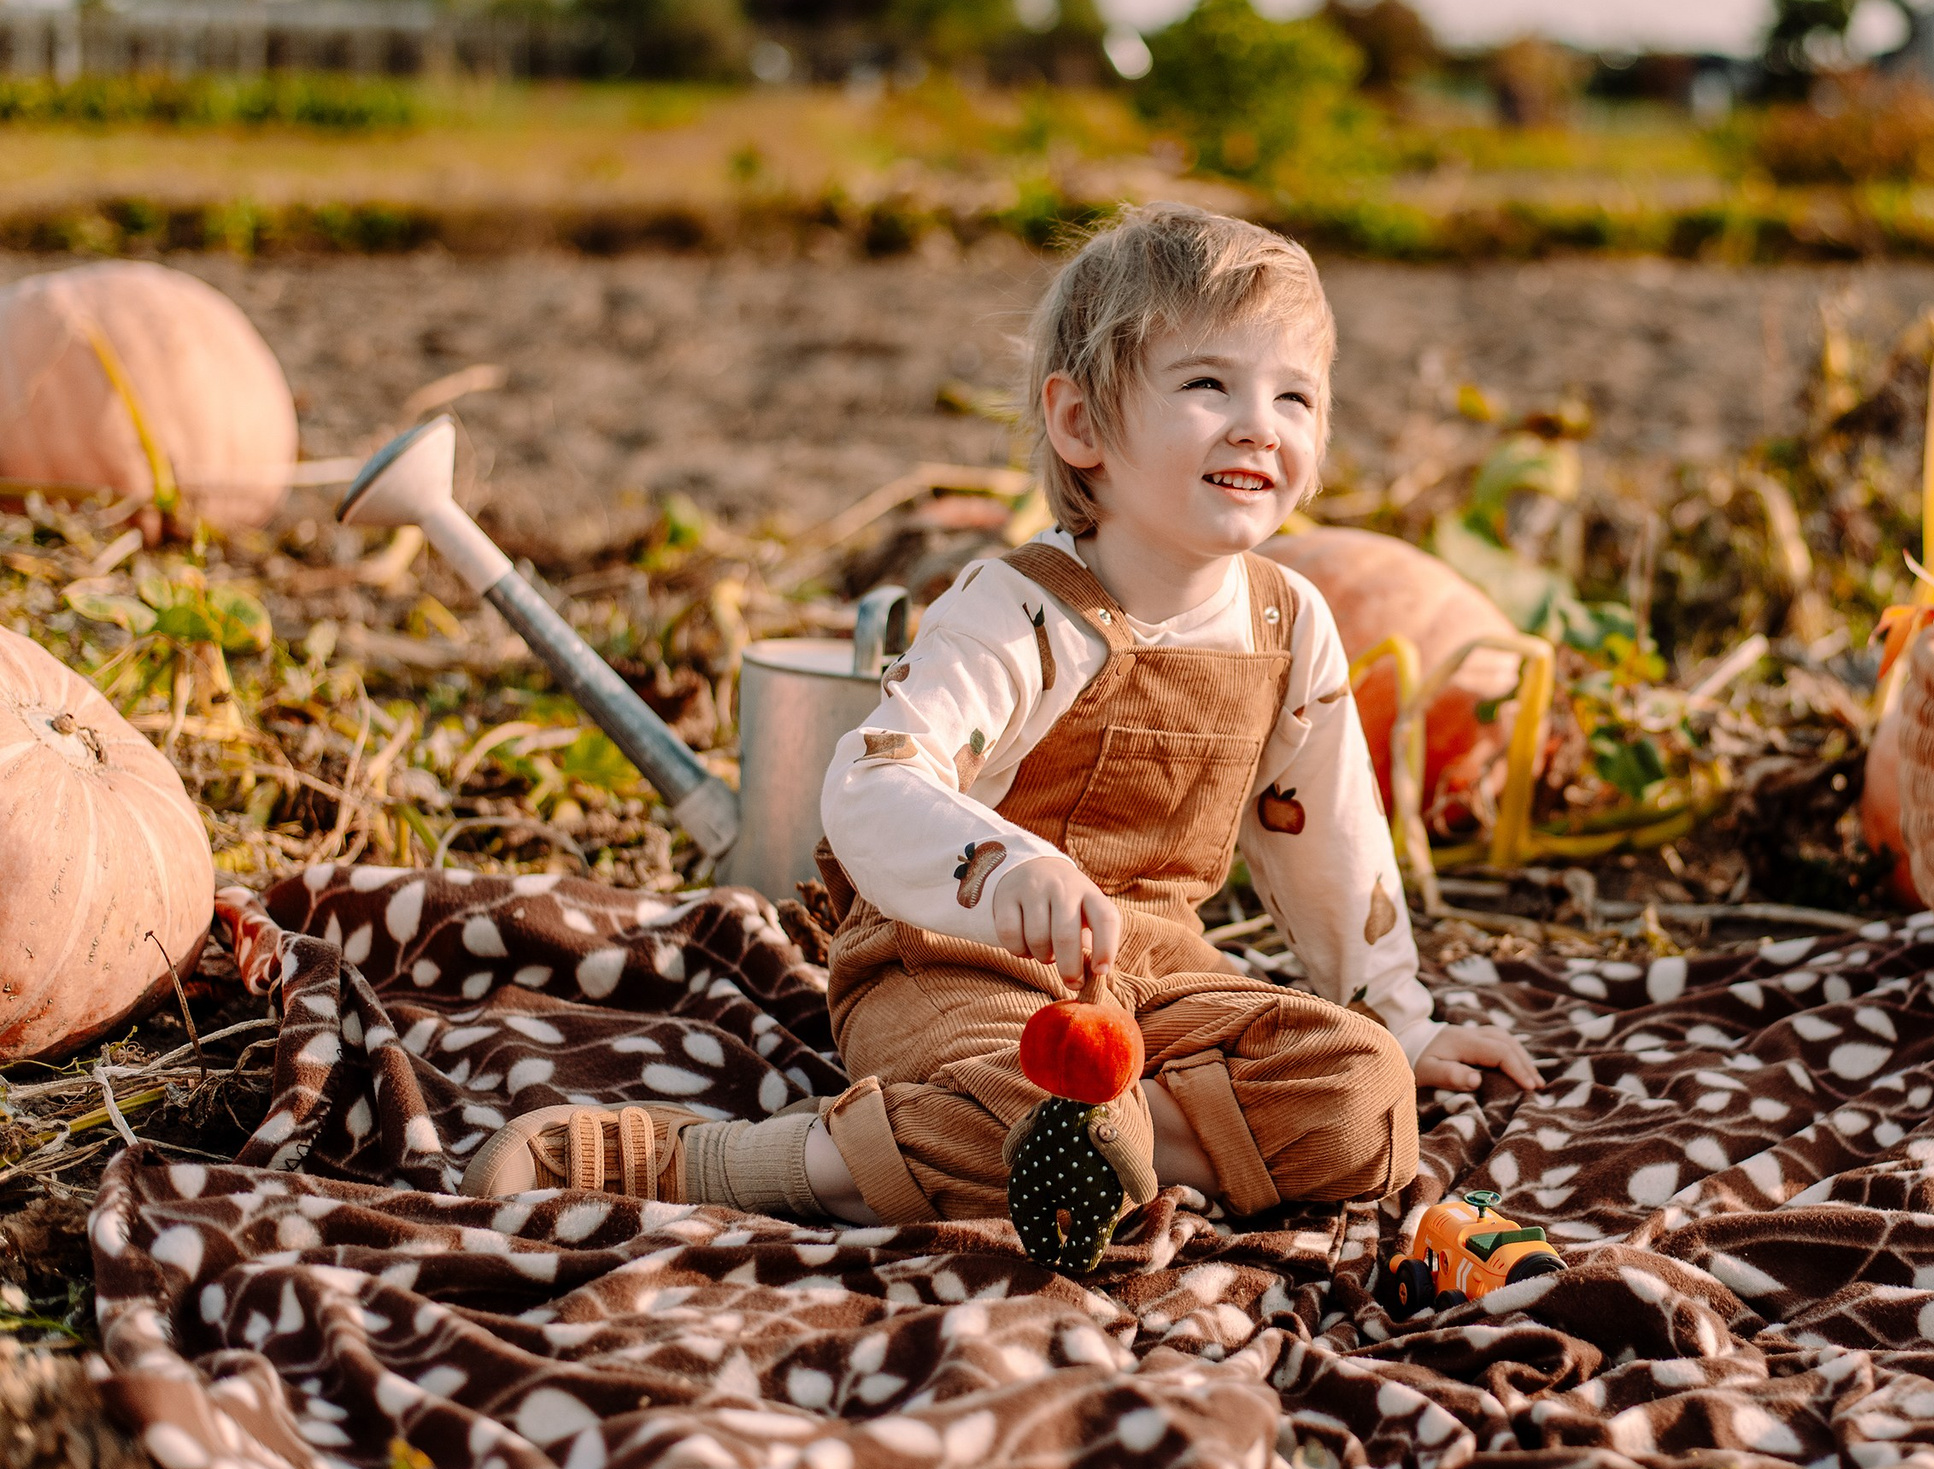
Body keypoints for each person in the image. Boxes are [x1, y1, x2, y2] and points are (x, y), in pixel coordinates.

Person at [465, 203, 1539, 1256]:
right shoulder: (1015, 608)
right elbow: (872, 778)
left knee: (1363, 1094)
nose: (1261, 422)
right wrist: (1001, 864)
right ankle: (721, 1160)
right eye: (1209, 383)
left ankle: (1073, 1149)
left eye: (1296, 394)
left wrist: (1399, 1013)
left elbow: (1330, 837)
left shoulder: (1286, 617)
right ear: (1080, 424)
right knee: (1031, 1096)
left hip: (1156, 974)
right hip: (954, 960)